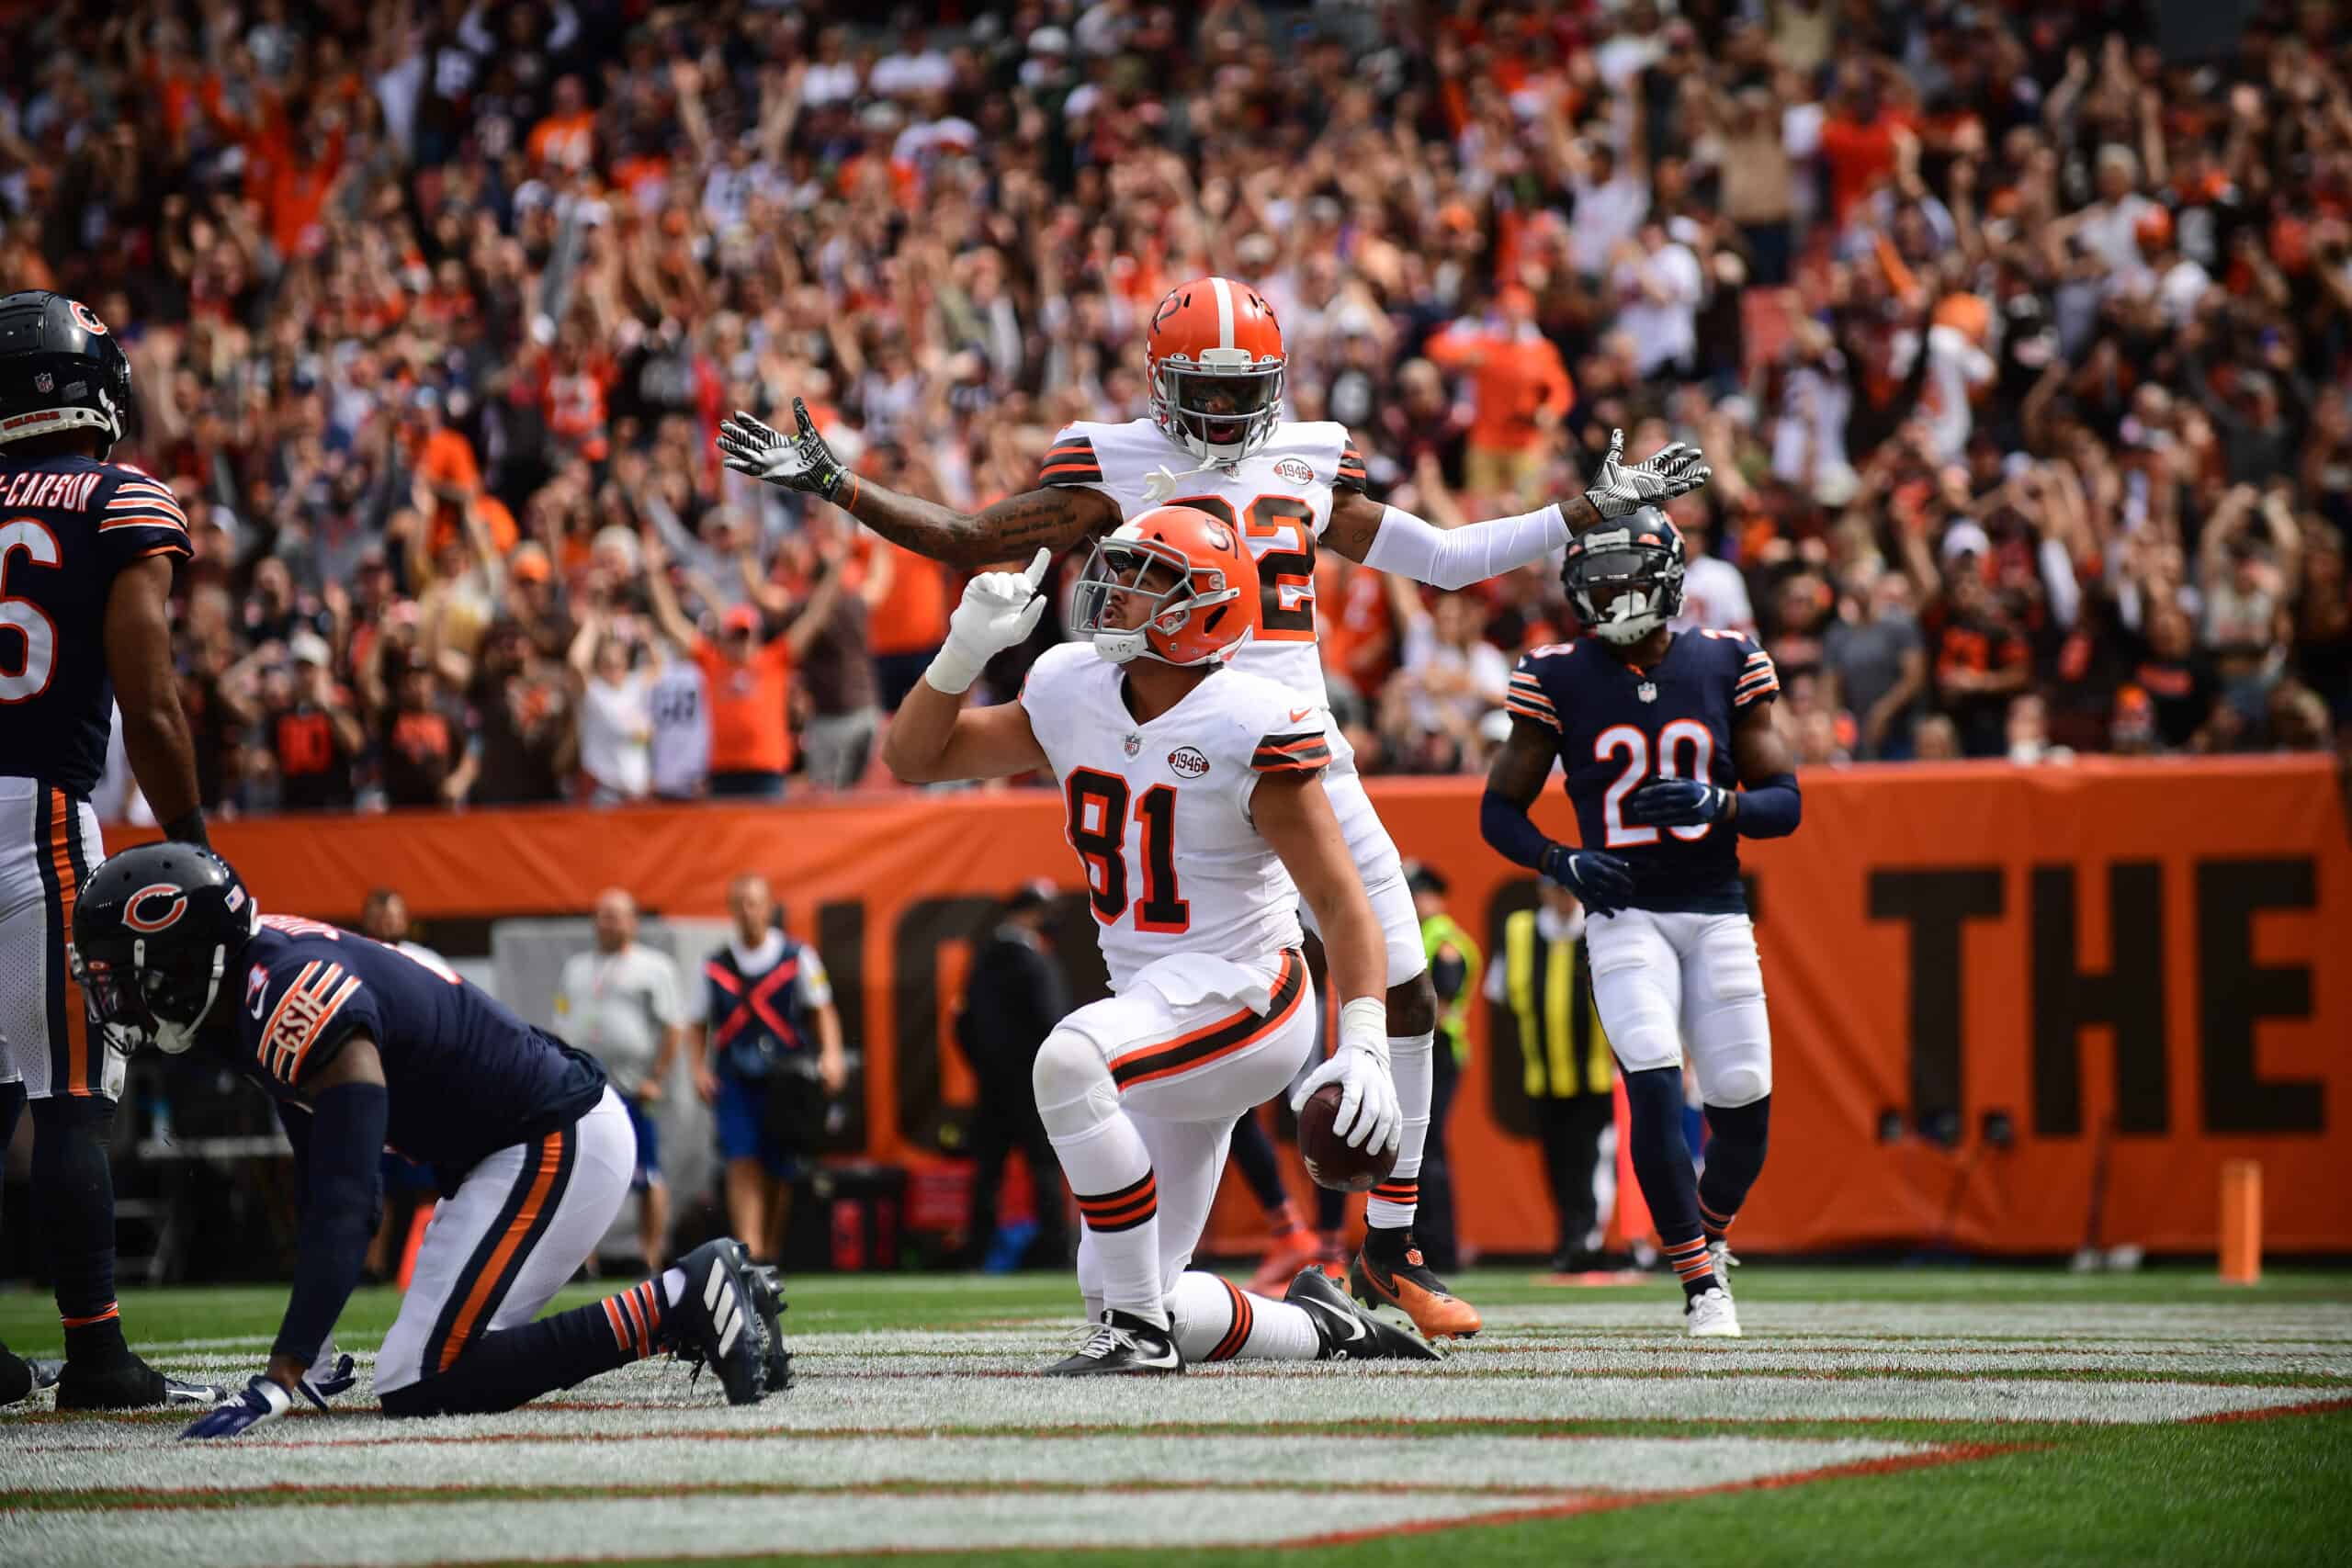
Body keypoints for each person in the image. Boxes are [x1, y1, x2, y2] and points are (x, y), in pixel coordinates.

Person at [723, 275, 1714, 1340]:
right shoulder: (1110, 462)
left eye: (1246, 389)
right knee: (1195, 1019)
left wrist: (1588, 507)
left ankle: (1389, 1253)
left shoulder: (1312, 453)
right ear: (1159, 382)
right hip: (1171, 741)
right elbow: (974, 540)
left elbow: (1443, 557)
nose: (1229, 412)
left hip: (1293, 749)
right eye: (1204, 387)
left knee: (1404, 990)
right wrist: (839, 484)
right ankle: (1259, 1284)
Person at [881, 506, 1436, 1373]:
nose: (1115, 589)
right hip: (1153, 1009)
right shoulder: (1073, 688)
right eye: (1122, 568)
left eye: (1147, 577)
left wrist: (1363, 1039)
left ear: (1203, 608)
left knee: (1068, 1061)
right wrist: (960, 654)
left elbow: (1341, 898)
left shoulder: (1246, 718)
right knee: (1125, 1277)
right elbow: (915, 758)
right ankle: (1323, 1329)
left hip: (1251, 992)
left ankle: (1135, 1340)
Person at [68, 842, 786, 1433]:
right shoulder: (251, 986)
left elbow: (348, 1196)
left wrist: (284, 1370)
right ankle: (695, 1297)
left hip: (551, 1136)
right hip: (509, 1148)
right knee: (429, 1365)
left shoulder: (290, 997)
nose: (119, 998)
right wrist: (307, 1346)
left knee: (422, 1375)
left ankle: (682, 1297)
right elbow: (331, 1175)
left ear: (186, 960)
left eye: (128, 974)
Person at [1479, 506, 1801, 1337]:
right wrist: (1563, 861)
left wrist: (1721, 802)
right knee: (1653, 1075)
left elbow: (1785, 804)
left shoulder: (1729, 660)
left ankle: (1709, 1232)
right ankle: (1701, 1285)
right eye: (1597, 575)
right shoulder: (1557, 674)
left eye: (1625, 573)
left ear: (1667, 577)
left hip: (1715, 907)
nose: (1609, 590)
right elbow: (1499, 812)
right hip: (1623, 913)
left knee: (1743, 1102)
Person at [0, 290, 221, 1411]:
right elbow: (153, 697)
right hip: (37, 812)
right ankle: (94, 1351)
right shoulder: (118, 495)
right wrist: (194, 842)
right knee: (70, 1091)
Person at [690, 874, 847, 1266]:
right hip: (734, 1076)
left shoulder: (797, 956)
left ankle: (771, 1248)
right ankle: (750, 1250)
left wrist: (832, 1055)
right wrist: (697, 1069)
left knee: (781, 1165)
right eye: (739, 903)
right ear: (730, 909)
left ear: (769, 906)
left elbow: (822, 1009)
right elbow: (696, 1022)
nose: (747, 911)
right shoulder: (713, 965)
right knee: (741, 1158)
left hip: (786, 1078)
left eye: (754, 902)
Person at [642, 530, 845, 800]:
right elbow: (672, 622)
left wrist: (836, 571)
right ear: (724, 637)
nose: (740, 643)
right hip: (723, 772)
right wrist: (655, 573)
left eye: (745, 635)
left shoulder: (774, 659)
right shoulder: (713, 661)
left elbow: (814, 617)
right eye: (735, 635)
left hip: (766, 772)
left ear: (756, 637)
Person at [554, 889, 688, 1275]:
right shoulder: (576, 968)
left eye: (615, 916)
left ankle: (650, 1255)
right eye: (601, 916)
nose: (607, 924)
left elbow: (674, 1026)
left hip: (631, 1088)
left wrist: (656, 1078)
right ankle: (583, 1260)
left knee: (646, 1173)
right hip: (585, 1089)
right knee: (582, 1174)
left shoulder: (653, 967)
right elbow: (562, 1018)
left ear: (632, 922)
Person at [1487, 881, 1618, 1272]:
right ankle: (1569, 1240)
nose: (1564, 898)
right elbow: (1498, 991)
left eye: (1570, 891)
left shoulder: (1600, 928)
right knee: (1558, 1162)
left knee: (1591, 1158)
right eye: (1557, 890)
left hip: (1596, 1074)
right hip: (1543, 1073)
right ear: (1543, 892)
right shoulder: (1521, 931)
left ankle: (1587, 1241)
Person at [954, 880, 1071, 1270]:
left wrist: (986, 1066)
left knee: (988, 1173)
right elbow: (1052, 1024)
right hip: (1033, 1086)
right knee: (1044, 1169)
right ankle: (1053, 1253)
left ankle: (978, 1253)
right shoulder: (1034, 961)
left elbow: (963, 1025)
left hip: (992, 1086)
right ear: (1029, 914)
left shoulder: (983, 958)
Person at [1405, 863, 1480, 1274]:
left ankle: (1439, 1248)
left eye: (1419, 893)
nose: (1414, 901)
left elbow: (1440, 1004)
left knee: (1427, 1147)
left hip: (1435, 1049)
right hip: (1420, 1048)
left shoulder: (1443, 941)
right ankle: (1415, 1240)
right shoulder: (1415, 937)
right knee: (1414, 1149)